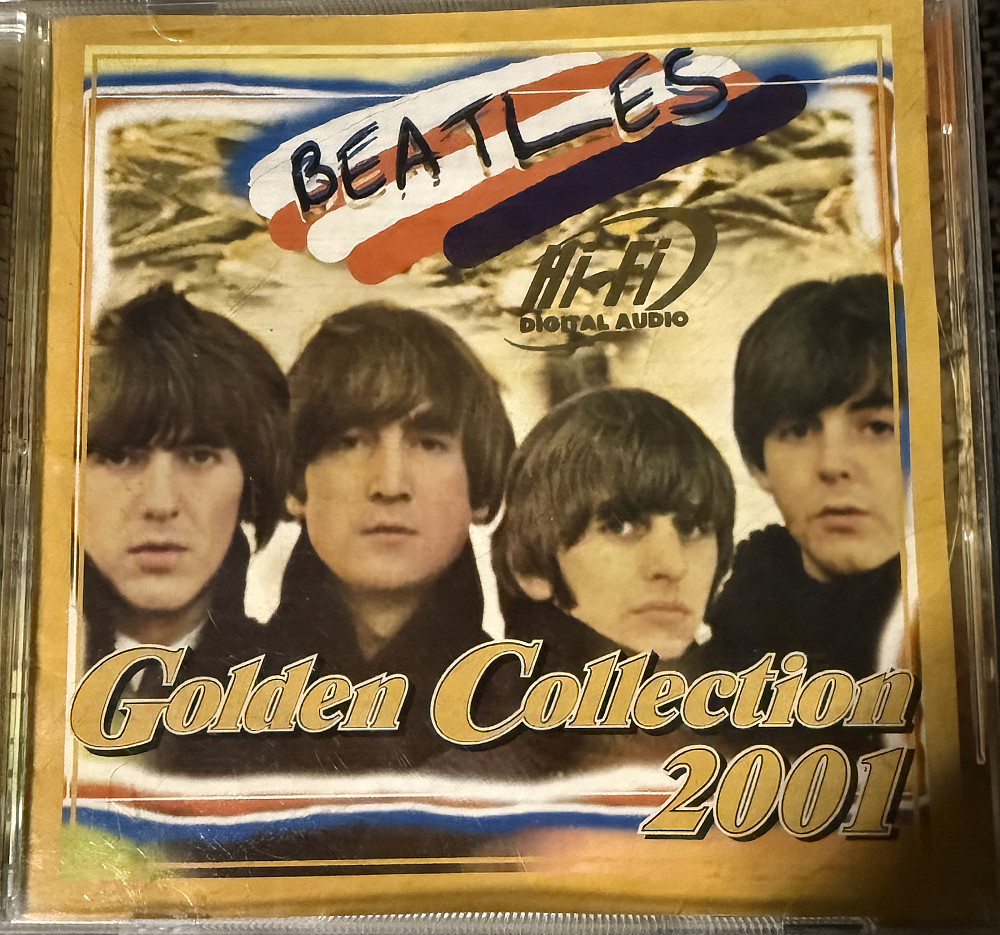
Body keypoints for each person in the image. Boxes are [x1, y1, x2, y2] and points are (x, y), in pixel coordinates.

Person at [265, 302, 515, 772]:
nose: (390, 484)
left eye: (429, 444)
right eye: (349, 442)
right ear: (296, 484)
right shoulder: (204, 698)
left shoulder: (535, 710)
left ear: (477, 489)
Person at [82, 285, 290, 773]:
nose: (160, 504)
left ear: (250, 481)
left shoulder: (307, 686)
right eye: (119, 456)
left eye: (198, 456)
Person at [486, 387, 736, 774]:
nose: (672, 565)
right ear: (531, 568)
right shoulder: (467, 787)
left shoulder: (760, 757)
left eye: (693, 528)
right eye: (620, 526)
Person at [708, 274, 905, 682]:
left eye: (877, 427)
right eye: (798, 431)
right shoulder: (708, 672)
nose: (832, 464)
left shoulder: (975, 628)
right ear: (758, 464)